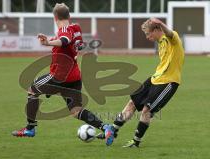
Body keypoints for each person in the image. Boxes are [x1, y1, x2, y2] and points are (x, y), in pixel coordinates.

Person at [12, 3, 115, 146]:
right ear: (69, 16)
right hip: (75, 77)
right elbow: (78, 44)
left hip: (59, 76)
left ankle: (30, 128)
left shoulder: (65, 30)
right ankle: (105, 127)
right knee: (76, 111)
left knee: (32, 90)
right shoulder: (76, 28)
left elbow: (65, 40)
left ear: (55, 17)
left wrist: (48, 42)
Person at [97, 18, 184, 147]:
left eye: (149, 33)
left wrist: (160, 23)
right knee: (132, 102)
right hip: (155, 78)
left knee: (147, 110)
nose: (148, 37)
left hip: (168, 82)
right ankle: (113, 130)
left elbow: (170, 33)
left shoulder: (172, 38)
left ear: (157, 30)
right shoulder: (160, 43)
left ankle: (136, 141)